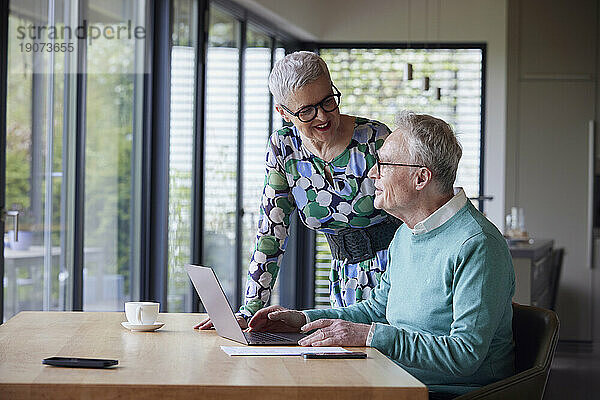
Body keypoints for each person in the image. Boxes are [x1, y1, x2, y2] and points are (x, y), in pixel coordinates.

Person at [248, 111, 516, 398]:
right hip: (393, 379)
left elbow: (465, 355)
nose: (372, 172)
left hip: (450, 393)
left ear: (420, 178)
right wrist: (301, 320)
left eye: (384, 163)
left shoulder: (477, 244)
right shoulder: (406, 233)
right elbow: (374, 310)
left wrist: (372, 336)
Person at [195, 51, 401, 329]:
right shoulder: (284, 148)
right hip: (344, 281)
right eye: (306, 110)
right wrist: (249, 310)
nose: (323, 116)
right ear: (283, 112)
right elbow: (271, 232)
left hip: (396, 275)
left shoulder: (374, 139)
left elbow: (416, 212)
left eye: (328, 101)